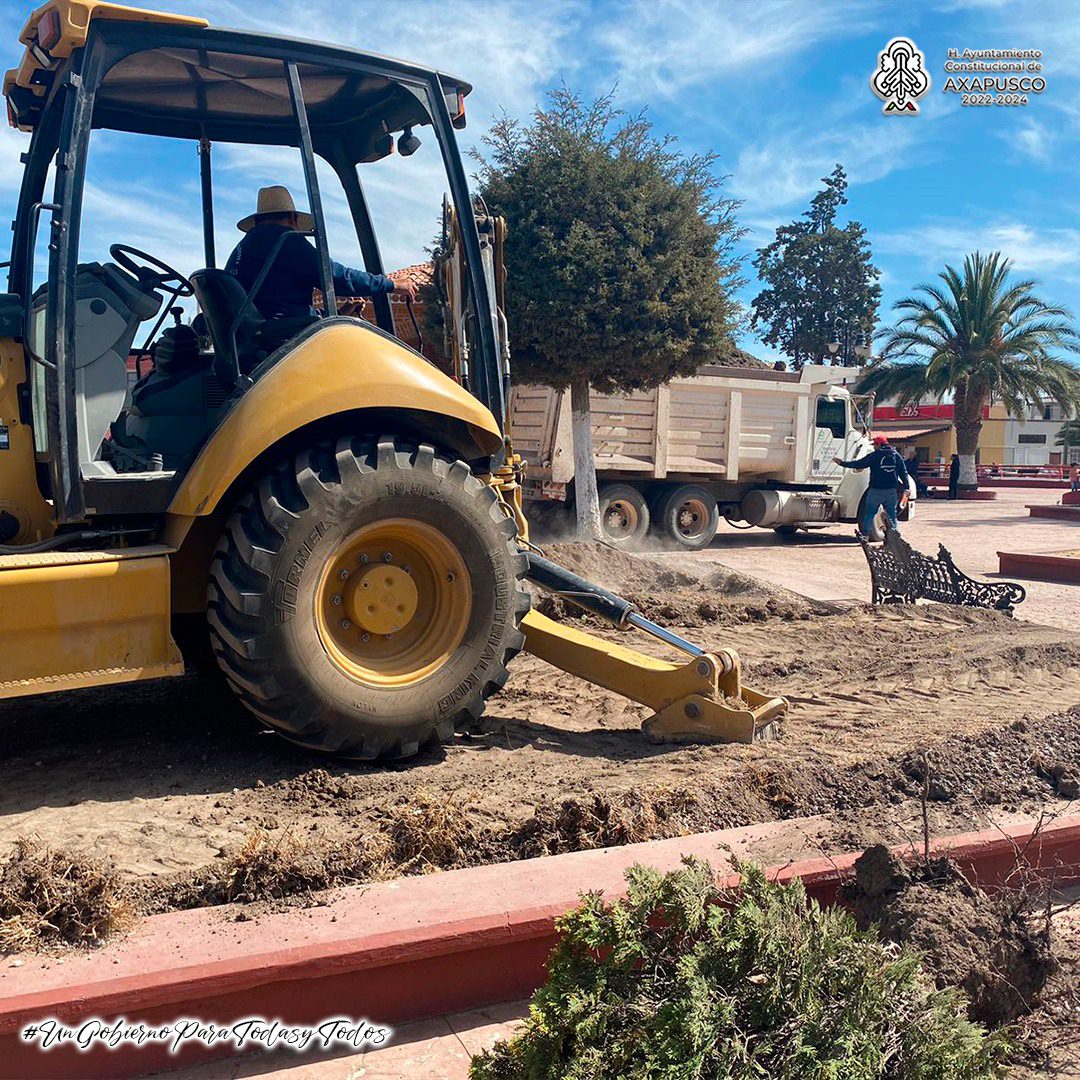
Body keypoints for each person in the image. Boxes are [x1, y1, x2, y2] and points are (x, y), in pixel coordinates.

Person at [226, 186, 416, 320]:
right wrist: (392, 284)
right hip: (283, 340)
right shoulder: (284, 240)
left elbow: (276, 304)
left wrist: (339, 313)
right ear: (293, 218)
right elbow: (337, 277)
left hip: (265, 336)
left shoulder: (244, 247)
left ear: (258, 220)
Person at [833, 434, 909, 539]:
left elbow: (859, 464)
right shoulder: (896, 455)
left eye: (875, 444)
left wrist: (842, 463)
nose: (873, 447)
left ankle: (865, 536)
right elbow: (904, 473)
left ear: (879, 444)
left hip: (876, 490)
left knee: (869, 514)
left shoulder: (875, 455)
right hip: (891, 491)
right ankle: (893, 537)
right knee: (892, 515)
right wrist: (907, 488)